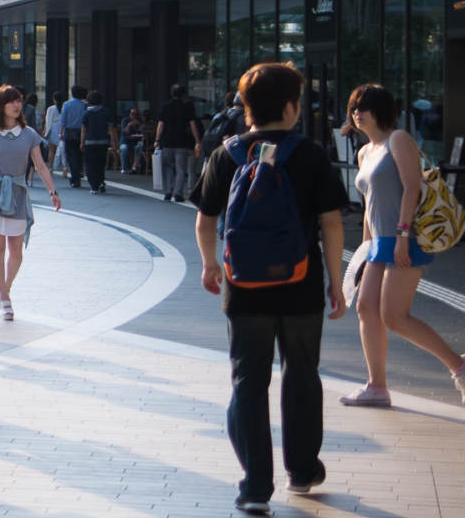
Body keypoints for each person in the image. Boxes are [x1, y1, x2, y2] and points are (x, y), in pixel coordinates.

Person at [189, 63, 348, 514]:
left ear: (247, 108)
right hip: (300, 286)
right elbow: (331, 222)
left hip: (244, 287)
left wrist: (210, 264)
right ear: (292, 107)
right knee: (301, 374)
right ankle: (301, 470)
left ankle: (255, 486)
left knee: (248, 380)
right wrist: (337, 283)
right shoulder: (311, 154)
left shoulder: (227, 154)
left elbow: (206, 219)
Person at [338, 82, 465, 408]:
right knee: (366, 309)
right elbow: (369, 202)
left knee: (394, 316)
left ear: (378, 111)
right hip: (379, 241)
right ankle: (376, 386)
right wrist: (365, 249)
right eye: (353, 107)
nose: (355, 113)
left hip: (403, 238)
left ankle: (459, 367)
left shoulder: (399, 140)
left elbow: (411, 188)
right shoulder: (365, 151)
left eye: (361, 107)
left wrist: (404, 235)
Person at [0, 86, 61, 320]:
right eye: (10, 102)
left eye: (18, 101)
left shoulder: (29, 134)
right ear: (0, 105)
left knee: (16, 249)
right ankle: (4, 297)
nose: (16, 105)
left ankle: (5, 289)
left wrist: (53, 191)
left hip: (18, 192)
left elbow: (40, 165)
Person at [156, 84, 201, 202]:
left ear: (172, 93)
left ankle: (168, 191)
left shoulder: (165, 106)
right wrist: (197, 141)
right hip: (182, 142)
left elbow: (161, 125)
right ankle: (178, 193)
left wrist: (157, 140)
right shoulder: (187, 107)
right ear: (183, 94)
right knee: (181, 169)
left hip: (167, 142)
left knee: (168, 167)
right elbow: (192, 124)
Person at [78, 89, 115, 194]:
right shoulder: (105, 112)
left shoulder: (86, 114)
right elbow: (111, 128)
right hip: (103, 142)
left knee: (90, 165)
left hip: (90, 142)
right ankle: (101, 181)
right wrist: (113, 141)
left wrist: (82, 142)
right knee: (101, 163)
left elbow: (83, 130)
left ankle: (94, 186)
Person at [59, 86, 88, 188]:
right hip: (81, 132)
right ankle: (78, 173)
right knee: (79, 154)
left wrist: (60, 133)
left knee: (71, 156)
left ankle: (75, 177)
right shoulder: (85, 105)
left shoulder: (67, 104)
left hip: (69, 131)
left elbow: (63, 120)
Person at [44, 91, 65, 172]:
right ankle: (64, 167)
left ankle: (51, 167)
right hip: (62, 129)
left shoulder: (51, 108)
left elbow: (48, 121)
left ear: (54, 99)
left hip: (53, 129)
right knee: (63, 150)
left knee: (52, 150)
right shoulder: (64, 107)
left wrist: (46, 132)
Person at [120, 108, 144, 174]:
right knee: (124, 148)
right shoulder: (125, 120)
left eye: (136, 114)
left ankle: (135, 166)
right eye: (133, 114)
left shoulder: (139, 121)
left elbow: (142, 133)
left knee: (140, 145)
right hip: (126, 141)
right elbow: (125, 132)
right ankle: (125, 168)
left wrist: (140, 126)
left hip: (135, 141)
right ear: (129, 114)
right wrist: (129, 125)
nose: (134, 116)